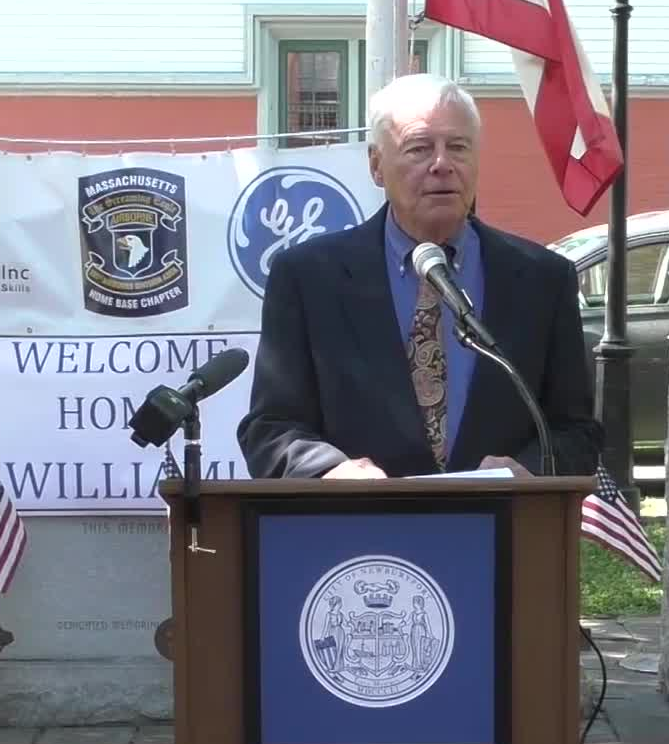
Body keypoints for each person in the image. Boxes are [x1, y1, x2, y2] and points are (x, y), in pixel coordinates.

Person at [236, 74, 601, 481]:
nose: (442, 164)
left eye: (458, 147)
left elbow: (577, 433)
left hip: (502, 527)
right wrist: (332, 471)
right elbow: (270, 429)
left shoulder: (542, 279)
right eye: (419, 148)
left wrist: (528, 470)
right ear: (376, 165)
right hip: (362, 533)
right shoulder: (308, 278)